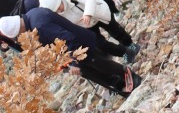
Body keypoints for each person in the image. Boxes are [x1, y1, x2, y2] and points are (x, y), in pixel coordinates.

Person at [0, 9, 138, 94]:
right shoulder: (32, 14)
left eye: (18, 36)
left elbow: (68, 39)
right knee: (95, 73)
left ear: (18, 30)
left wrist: (75, 63)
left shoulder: (40, 26)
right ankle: (119, 85)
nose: (20, 39)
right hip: (75, 50)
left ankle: (133, 79)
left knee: (104, 66)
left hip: (82, 47)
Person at [36, 0, 138, 63]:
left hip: (97, 10)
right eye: (56, 11)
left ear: (60, 0)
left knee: (115, 30)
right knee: (99, 43)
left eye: (59, 7)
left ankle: (130, 44)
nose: (59, 11)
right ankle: (125, 53)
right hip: (84, 24)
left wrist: (87, 13)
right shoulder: (54, 13)